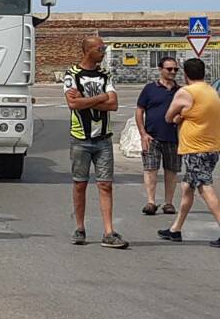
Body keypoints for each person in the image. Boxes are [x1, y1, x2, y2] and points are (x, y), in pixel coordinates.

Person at [64, 36, 128, 249]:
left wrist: (87, 101)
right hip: (80, 138)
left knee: (105, 184)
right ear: (89, 50)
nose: (103, 52)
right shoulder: (72, 74)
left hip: (103, 139)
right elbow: (73, 104)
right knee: (80, 184)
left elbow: (114, 104)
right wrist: (100, 98)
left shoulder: (105, 75)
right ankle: (80, 227)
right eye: (101, 49)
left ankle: (108, 231)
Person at [158, 58, 220, 247]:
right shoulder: (211, 91)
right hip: (212, 147)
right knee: (187, 187)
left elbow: (169, 116)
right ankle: (175, 229)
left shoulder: (186, 92)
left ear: (185, 74)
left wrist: (180, 116)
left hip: (195, 148)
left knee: (204, 187)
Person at [135, 57, 181, 215]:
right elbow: (139, 110)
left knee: (171, 170)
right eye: (169, 69)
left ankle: (169, 203)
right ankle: (151, 202)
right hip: (152, 136)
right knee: (150, 169)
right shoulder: (149, 89)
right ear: (160, 69)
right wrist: (143, 133)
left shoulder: (180, 91)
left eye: (176, 69)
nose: (173, 72)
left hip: (174, 137)